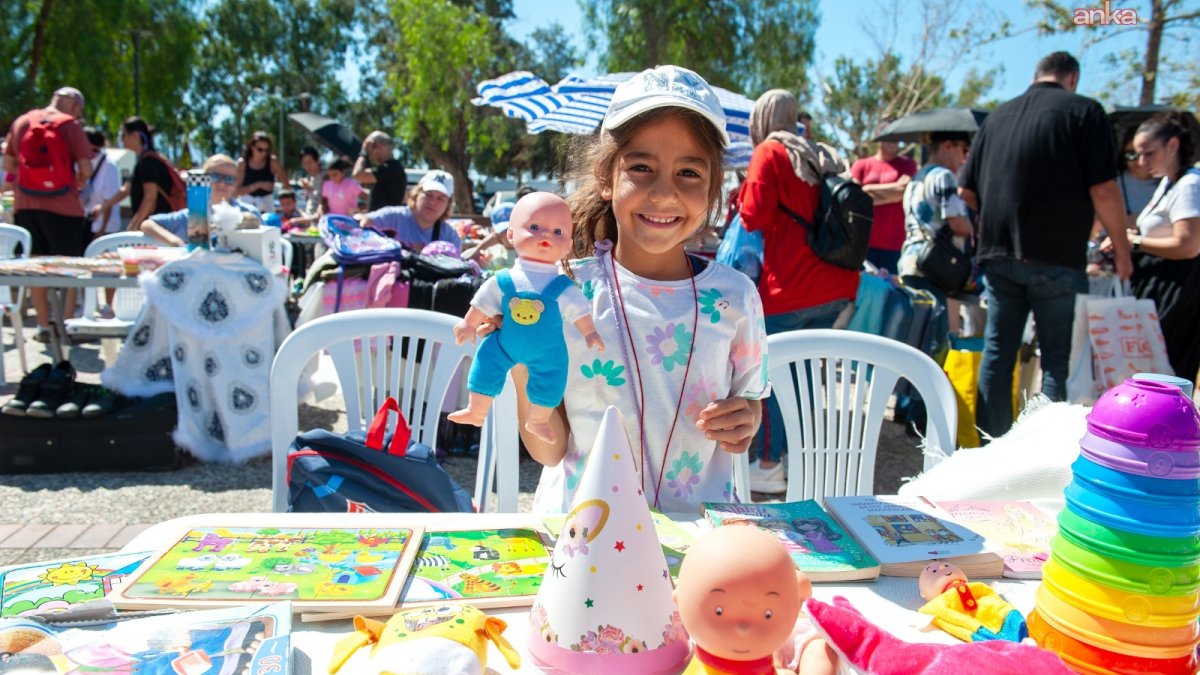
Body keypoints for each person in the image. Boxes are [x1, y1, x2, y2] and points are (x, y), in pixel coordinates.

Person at [491, 65, 767, 514]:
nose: (663, 193)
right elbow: (549, 450)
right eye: (641, 167)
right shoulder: (563, 293)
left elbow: (750, 404)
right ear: (605, 175)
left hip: (699, 534)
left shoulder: (735, 298)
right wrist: (520, 360)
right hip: (585, 540)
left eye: (689, 173)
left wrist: (744, 421)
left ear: (715, 186)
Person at [959, 51, 1132, 439]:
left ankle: (991, 452)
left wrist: (998, 214)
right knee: (1055, 361)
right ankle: (1039, 456)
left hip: (999, 254)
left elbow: (965, 190)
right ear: (1072, 78)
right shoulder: (1084, 112)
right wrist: (1121, 250)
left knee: (998, 355)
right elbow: (1103, 189)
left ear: (1037, 75)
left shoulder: (996, 117)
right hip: (1057, 257)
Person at [738, 89, 858, 494]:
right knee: (808, 379)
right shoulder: (817, 152)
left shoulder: (770, 153)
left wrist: (742, 194)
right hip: (837, 284)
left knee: (770, 378)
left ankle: (770, 463)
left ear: (761, 119)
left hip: (790, 286)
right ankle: (800, 459)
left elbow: (752, 216)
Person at [449, 192, 604, 443]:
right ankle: (476, 410)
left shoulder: (562, 286)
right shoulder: (505, 279)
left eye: (557, 232)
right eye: (534, 227)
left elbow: (580, 311)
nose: (545, 236)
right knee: (486, 359)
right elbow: (482, 302)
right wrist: (469, 323)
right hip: (505, 343)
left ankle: (538, 419)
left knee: (553, 377)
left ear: (567, 245)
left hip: (547, 351)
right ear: (510, 235)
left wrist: (590, 332)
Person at [1113, 112, 1200, 386]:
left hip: (1177, 292)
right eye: (1137, 155)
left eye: (1149, 153)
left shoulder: (1189, 184)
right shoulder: (1169, 182)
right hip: (1159, 287)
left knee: (1165, 379)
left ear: (1173, 145)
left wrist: (1134, 241)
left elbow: (1188, 245)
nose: (1142, 162)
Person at [3, 86, 92, 342]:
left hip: (27, 206)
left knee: (35, 266)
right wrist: (74, 180)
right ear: (75, 106)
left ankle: (43, 327)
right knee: (69, 266)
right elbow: (86, 170)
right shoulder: (71, 126)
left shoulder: (22, 122)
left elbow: (8, 165)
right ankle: (64, 326)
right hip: (63, 207)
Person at [898, 131, 974, 354]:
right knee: (933, 344)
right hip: (934, 268)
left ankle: (905, 390)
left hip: (911, 263)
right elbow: (958, 224)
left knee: (913, 340)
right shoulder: (943, 176)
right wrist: (971, 227)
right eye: (964, 150)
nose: (963, 158)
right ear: (948, 146)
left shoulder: (916, 178)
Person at [140, 155, 261, 247]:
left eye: (229, 179)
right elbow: (148, 224)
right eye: (215, 176)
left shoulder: (249, 212)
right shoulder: (194, 214)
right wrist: (176, 243)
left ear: (236, 184)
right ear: (203, 180)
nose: (222, 183)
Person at [852, 121, 917, 273]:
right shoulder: (861, 165)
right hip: (865, 244)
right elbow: (856, 198)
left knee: (892, 293)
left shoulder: (907, 165)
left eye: (897, 138)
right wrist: (891, 192)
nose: (894, 143)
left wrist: (868, 190)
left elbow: (902, 192)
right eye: (890, 138)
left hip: (895, 245)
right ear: (879, 138)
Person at [99, 117, 179, 233]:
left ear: (135, 136)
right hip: (156, 225)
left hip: (155, 227)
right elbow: (127, 189)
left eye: (123, 135)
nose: (122, 139)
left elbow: (150, 197)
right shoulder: (147, 159)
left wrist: (133, 226)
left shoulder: (147, 162)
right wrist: (104, 206)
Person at [355, 169, 462, 251]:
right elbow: (364, 221)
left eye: (441, 199)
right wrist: (359, 220)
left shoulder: (450, 237)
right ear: (416, 194)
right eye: (429, 195)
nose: (433, 202)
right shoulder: (392, 217)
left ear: (448, 204)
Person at [81, 127, 121, 238]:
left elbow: (109, 200)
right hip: (84, 223)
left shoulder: (109, 166)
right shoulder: (79, 161)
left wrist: (102, 230)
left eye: (95, 150)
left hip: (103, 228)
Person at [353, 130, 408, 210]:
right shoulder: (387, 168)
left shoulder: (392, 168)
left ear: (378, 146)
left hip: (386, 221)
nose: (369, 151)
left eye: (370, 146)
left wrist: (364, 153)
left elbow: (357, 174)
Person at [235, 131, 287, 213]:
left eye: (267, 150)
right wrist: (258, 185)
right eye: (260, 149)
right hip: (246, 206)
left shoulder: (273, 162)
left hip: (267, 206)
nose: (264, 153)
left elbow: (286, 185)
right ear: (252, 147)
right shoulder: (243, 163)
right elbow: (237, 191)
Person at [297, 145, 324, 223]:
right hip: (309, 219)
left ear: (317, 160)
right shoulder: (309, 178)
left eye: (310, 162)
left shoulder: (327, 177)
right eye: (304, 163)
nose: (307, 166)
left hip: (320, 221)